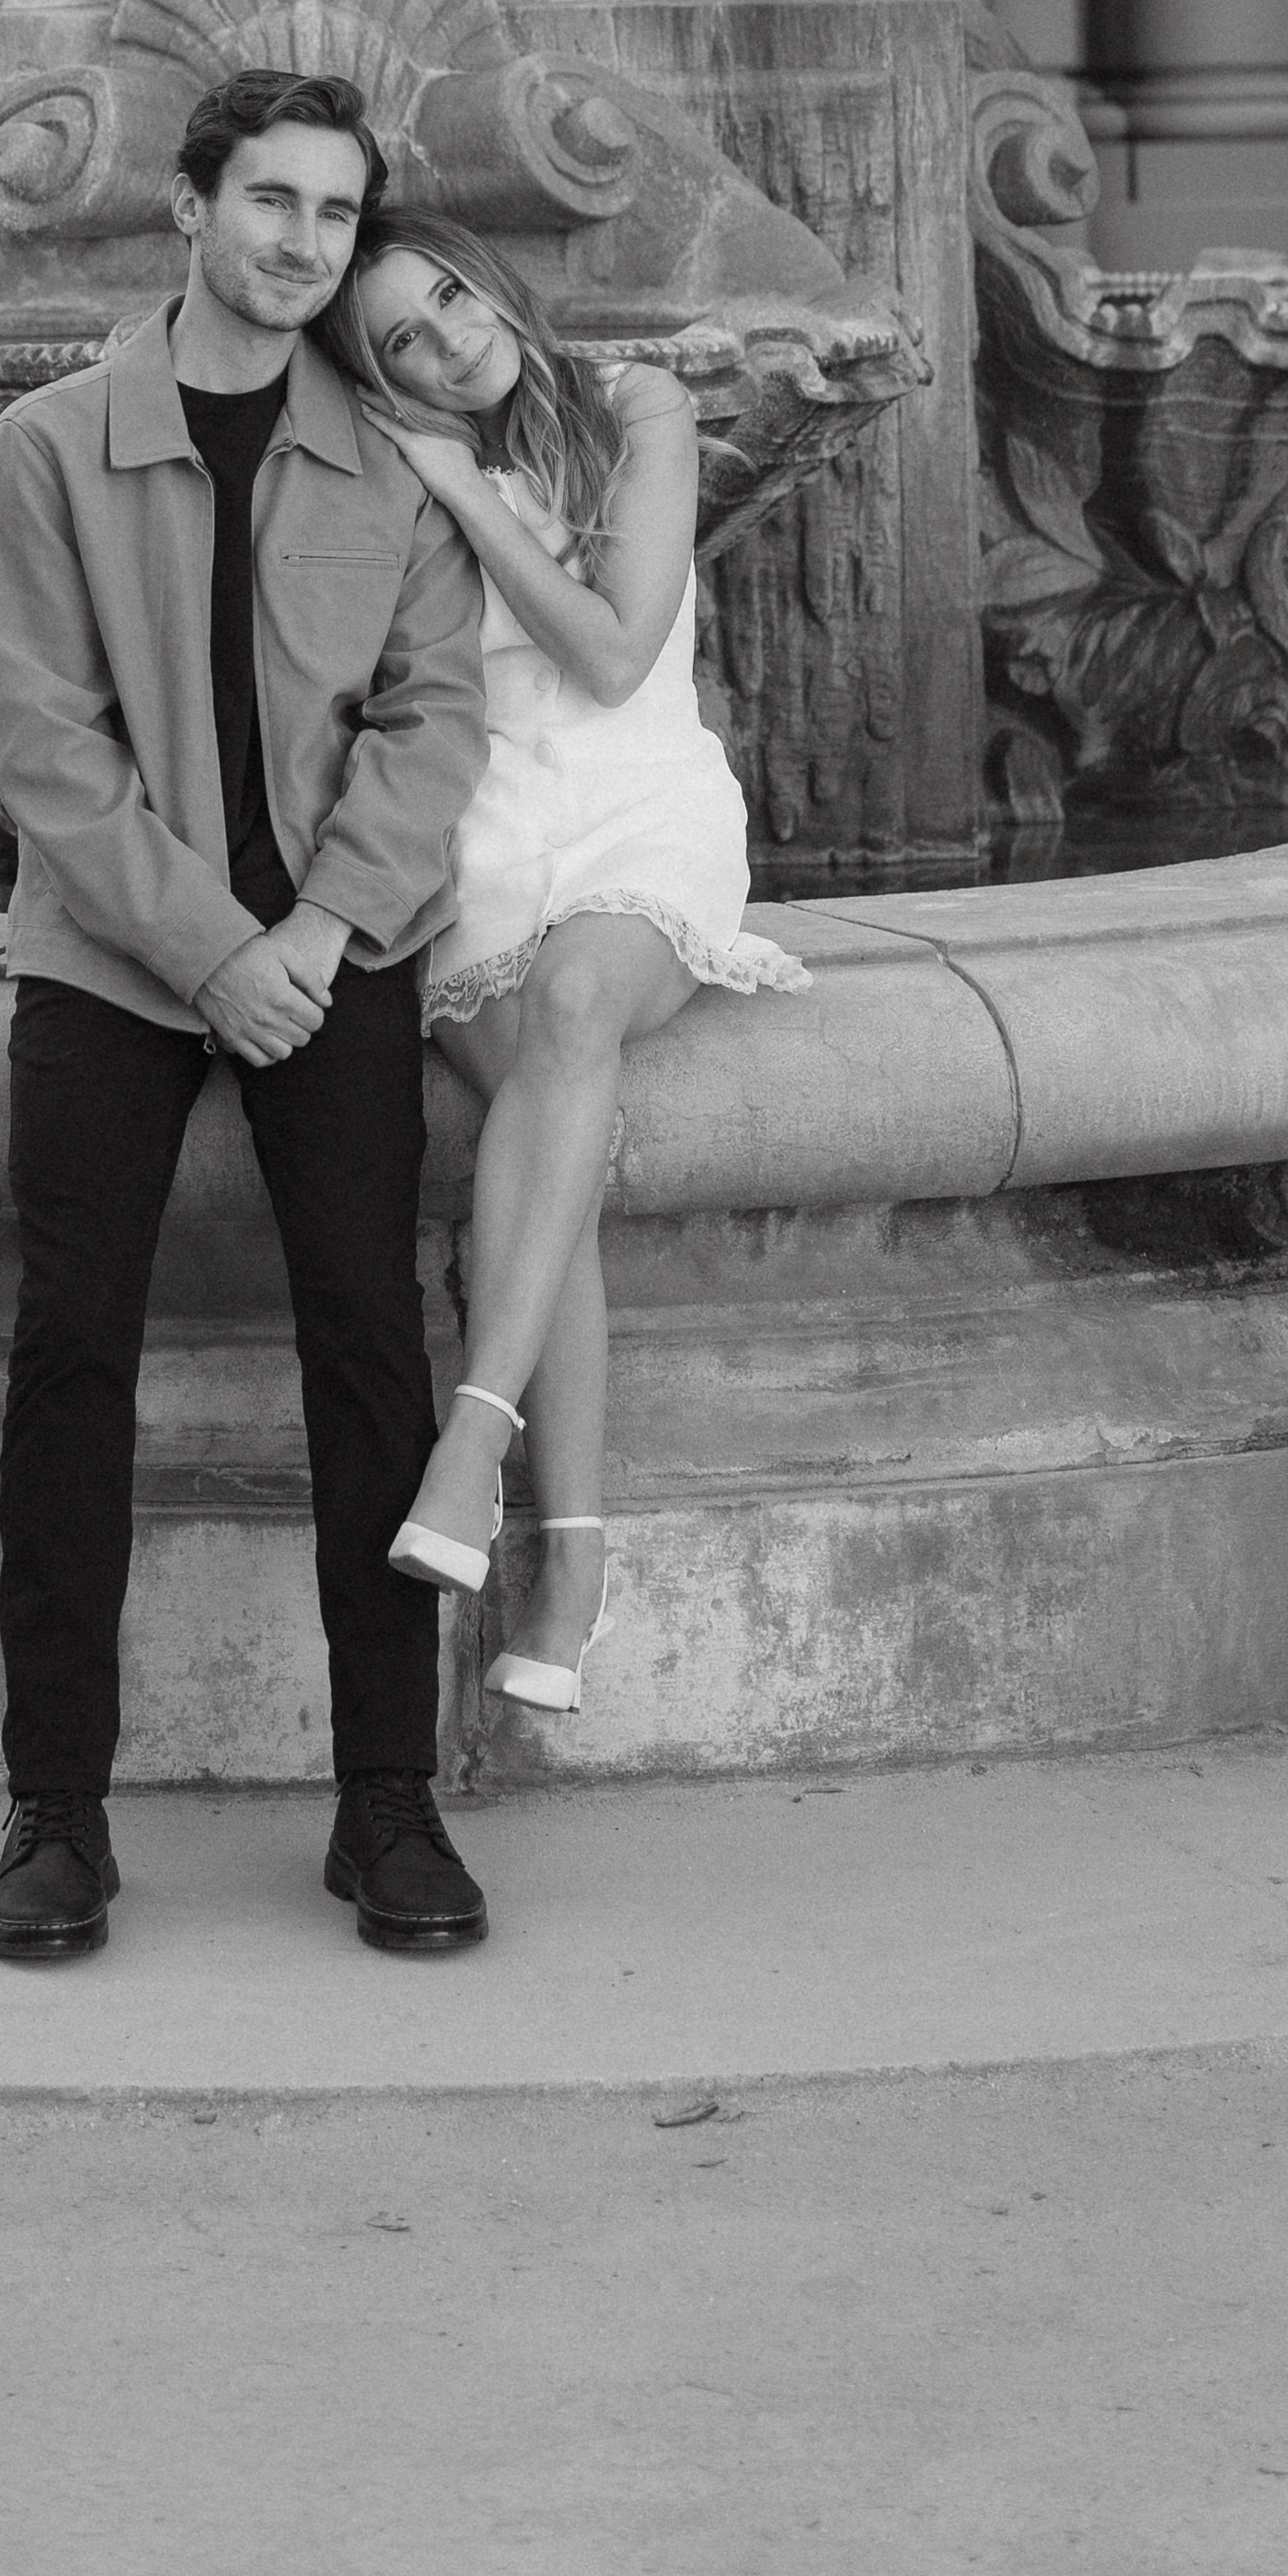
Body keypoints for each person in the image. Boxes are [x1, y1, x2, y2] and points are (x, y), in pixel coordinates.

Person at [0, 66, 496, 1969]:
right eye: (271, 202)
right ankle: (56, 1817)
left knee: (371, 1348)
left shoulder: (393, 456)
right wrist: (212, 948)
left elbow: (438, 717)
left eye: (336, 217)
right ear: (191, 211)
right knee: (67, 1352)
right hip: (116, 954)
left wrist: (328, 923)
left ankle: (386, 1802)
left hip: (341, 952)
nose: (302, 245)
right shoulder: (48, 448)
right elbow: (39, 742)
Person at [321, 211, 807, 1713]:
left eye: (453, 297)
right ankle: (574, 1561)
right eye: (405, 337)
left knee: (581, 1008)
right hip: (482, 837)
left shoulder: (634, 411)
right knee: (555, 1140)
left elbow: (609, 654)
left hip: (641, 806)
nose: (451, 338)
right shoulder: (387, 462)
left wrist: (471, 499)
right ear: (380, 371)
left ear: (496, 282)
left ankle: (470, 1448)